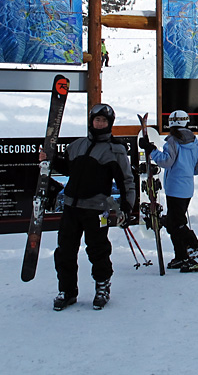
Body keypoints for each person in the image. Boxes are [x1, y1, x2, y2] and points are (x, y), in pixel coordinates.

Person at [41, 103, 135, 311]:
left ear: (110, 124)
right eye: (97, 120)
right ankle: (67, 291)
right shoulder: (77, 146)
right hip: (71, 207)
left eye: (104, 121)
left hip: (97, 209)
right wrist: (50, 158)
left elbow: (126, 181)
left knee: (98, 250)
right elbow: (67, 168)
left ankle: (102, 286)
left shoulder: (115, 150)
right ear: (91, 121)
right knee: (65, 251)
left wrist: (127, 207)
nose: (99, 124)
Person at [139, 110, 198, 272]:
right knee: (173, 222)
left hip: (175, 187)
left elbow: (166, 161)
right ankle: (182, 255)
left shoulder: (173, 141)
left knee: (177, 223)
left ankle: (197, 257)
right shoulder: (195, 142)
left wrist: (151, 150)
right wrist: (187, 171)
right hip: (187, 187)